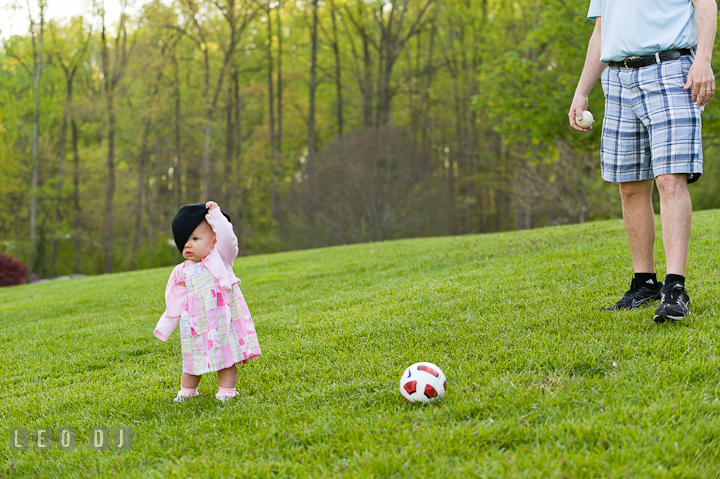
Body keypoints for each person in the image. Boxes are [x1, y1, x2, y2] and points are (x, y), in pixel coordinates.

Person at [569, 0, 716, 322]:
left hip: (671, 71)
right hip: (617, 79)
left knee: (669, 179)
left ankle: (675, 288)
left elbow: (706, 4)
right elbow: (601, 31)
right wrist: (582, 91)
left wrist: (703, 59)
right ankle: (644, 282)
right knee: (631, 187)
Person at [154, 201, 261, 401]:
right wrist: (167, 323)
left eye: (195, 238)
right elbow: (174, 300)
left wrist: (216, 216)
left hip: (222, 320)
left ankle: (226, 391)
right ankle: (187, 392)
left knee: (227, 357)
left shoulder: (220, 258)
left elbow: (228, 239)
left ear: (213, 241)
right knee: (192, 358)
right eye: (184, 240)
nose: (188, 244)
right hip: (196, 323)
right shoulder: (181, 270)